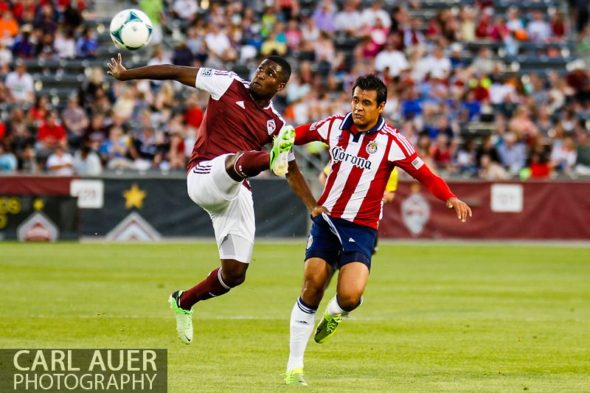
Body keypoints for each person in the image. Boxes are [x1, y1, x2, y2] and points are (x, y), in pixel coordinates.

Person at [107, 54, 319, 344]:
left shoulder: (276, 124)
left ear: (280, 85)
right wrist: (126, 74)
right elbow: (174, 71)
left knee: (234, 274)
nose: (260, 74)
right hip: (205, 174)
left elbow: (292, 171)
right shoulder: (227, 83)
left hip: (235, 190)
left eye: (269, 73)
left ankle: (182, 302)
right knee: (236, 161)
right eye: (260, 68)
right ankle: (269, 158)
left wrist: (313, 207)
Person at [284, 75, 472, 385]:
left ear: (381, 107)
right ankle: (294, 368)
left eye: (366, 103)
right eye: (355, 100)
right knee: (312, 284)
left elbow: (424, 173)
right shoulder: (332, 126)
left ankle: (335, 313)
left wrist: (449, 196)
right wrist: (281, 138)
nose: (358, 107)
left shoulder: (392, 141)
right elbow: (298, 134)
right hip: (327, 220)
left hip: (363, 226)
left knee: (350, 295)